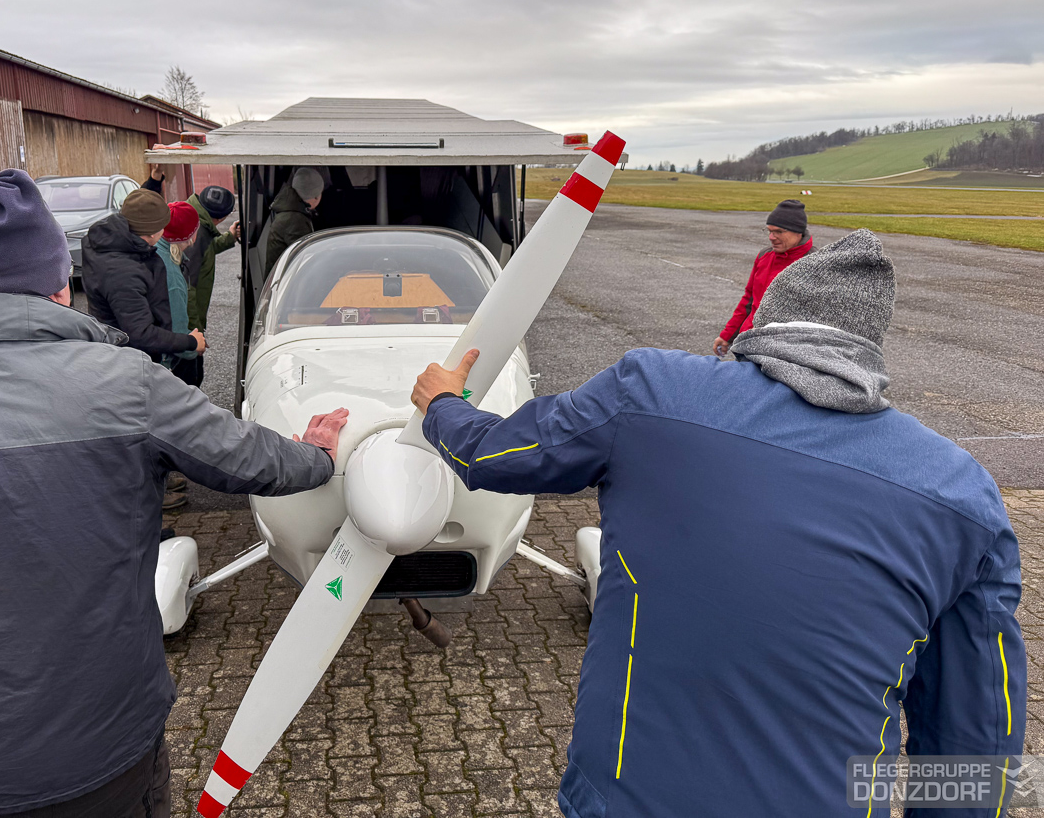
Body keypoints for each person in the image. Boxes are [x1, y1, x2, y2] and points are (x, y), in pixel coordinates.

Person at [0, 160, 350, 816]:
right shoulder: (130, 383)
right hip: (108, 748)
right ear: (60, 280)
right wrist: (317, 456)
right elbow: (247, 456)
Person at [411, 229, 1024, 816]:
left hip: (624, 800)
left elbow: (496, 457)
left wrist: (442, 405)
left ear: (768, 319)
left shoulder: (650, 390)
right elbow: (979, 742)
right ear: (867, 346)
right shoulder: (965, 495)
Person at [81, 188, 207, 362]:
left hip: (111, 347)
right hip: (129, 360)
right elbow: (141, 334)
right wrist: (190, 342)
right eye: (163, 226)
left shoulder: (108, 244)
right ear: (152, 233)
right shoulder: (123, 273)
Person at [712, 198, 812, 356]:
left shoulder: (815, 263)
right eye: (769, 231)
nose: (771, 237)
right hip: (749, 342)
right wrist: (727, 336)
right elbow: (749, 300)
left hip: (784, 353)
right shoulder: (764, 255)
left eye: (779, 232)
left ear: (798, 232)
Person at [183, 185, 241, 344]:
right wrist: (195, 332)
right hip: (187, 328)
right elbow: (187, 288)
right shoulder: (197, 234)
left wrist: (230, 237)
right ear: (220, 219)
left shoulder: (197, 222)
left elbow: (207, 250)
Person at [157, 200, 203, 389]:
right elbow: (177, 329)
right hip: (168, 363)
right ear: (191, 236)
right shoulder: (172, 276)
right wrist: (194, 347)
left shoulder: (156, 251)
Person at [265, 167, 325, 269]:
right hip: (286, 278)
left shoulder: (290, 210)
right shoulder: (295, 220)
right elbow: (306, 259)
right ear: (316, 197)